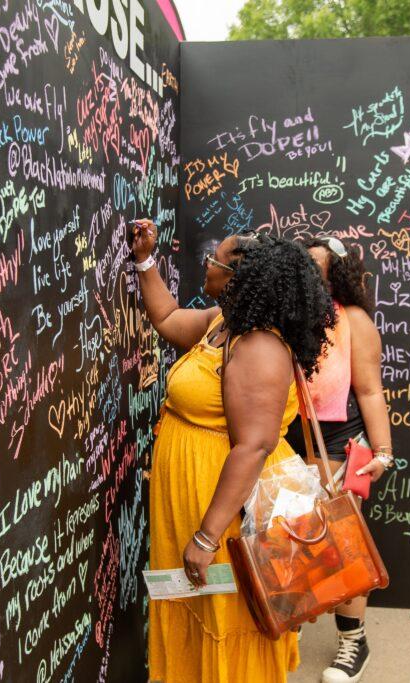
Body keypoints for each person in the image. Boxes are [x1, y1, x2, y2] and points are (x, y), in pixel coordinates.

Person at [130, 219, 335, 683]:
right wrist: (145, 261)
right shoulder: (225, 322)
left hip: (226, 510)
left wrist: (206, 537)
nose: (207, 263)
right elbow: (167, 318)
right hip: (199, 491)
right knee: (202, 610)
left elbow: (254, 446)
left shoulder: (259, 345)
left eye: (215, 259)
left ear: (238, 276)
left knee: (229, 615)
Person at [284, 236, 393, 683]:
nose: (308, 271)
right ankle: (284, 633)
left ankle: (353, 643)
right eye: (303, 264)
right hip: (281, 441)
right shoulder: (282, 315)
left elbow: (369, 390)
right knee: (281, 543)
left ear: (337, 273)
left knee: (339, 547)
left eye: (317, 265)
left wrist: (383, 451)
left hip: (335, 444)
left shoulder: (354, 321)